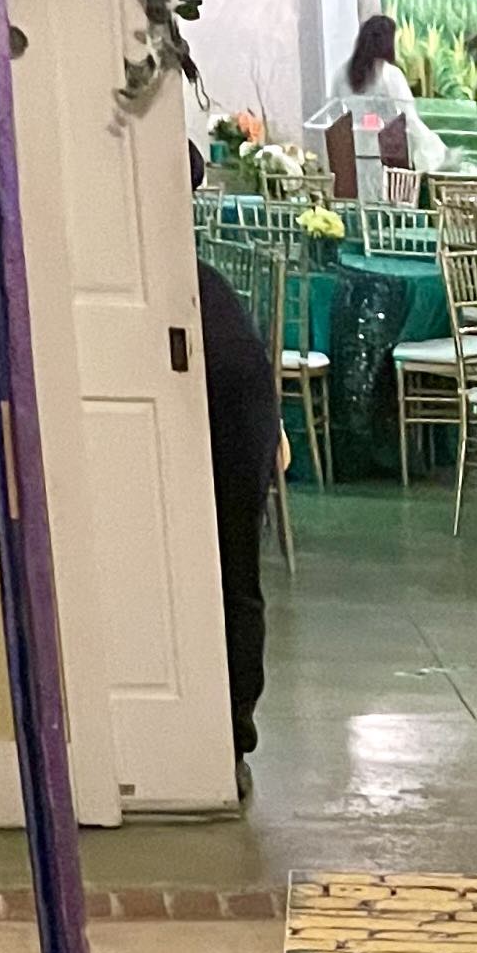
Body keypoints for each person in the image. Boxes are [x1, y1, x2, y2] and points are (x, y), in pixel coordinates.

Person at [190, 146, 279, 785]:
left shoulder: (193, 288)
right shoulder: (195, 285)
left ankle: (230, 737)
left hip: (234, 418)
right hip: (233, 404)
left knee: (232, 574)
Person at [307, 14, 448, 180]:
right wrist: (434, 148)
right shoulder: (390, 75)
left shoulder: (342, 73)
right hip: (387, 155)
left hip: (351, 156)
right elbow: (409, 118)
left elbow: (334, 114)